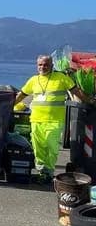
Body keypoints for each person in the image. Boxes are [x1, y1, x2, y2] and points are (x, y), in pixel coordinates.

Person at [15, 55, 92, 184]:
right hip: (36, 120)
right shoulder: (33, 80)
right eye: (40, 65)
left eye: (46, 64)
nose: (43, 67)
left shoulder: (61, 78)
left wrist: (89, 101)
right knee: (38, 147)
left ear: (51, 65)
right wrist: (8, 105)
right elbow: (21, 95)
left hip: (54, 121)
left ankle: (49, 172)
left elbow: (76, 92)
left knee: (51, 146)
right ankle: (41, 172)